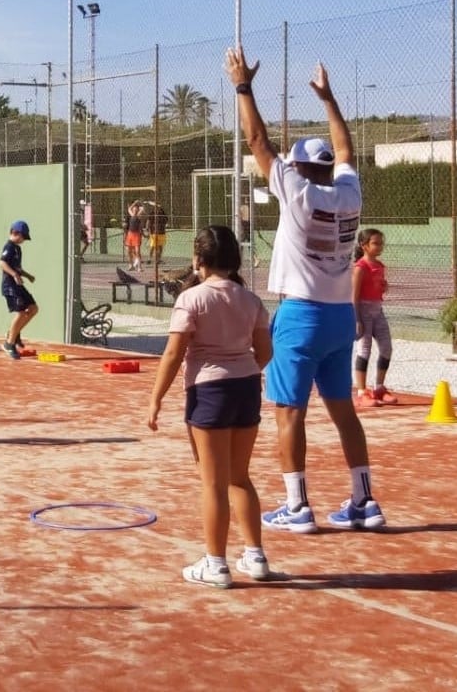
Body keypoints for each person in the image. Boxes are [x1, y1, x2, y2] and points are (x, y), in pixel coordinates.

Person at [225, 47, 384, 533]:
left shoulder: (296, 192)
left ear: (299, 167)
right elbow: (347, 153)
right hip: (340, 318)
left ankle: (297, 506)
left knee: (288, 413)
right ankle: (364, 502)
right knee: (343, 413)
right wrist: (329, 100)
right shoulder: (350, 193)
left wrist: (243, 86)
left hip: (302, 316)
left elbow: (256, 139)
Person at [146, 225, 281, 588]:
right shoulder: (250, 300)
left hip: (209, 392)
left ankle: (216, 564)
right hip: (247, 388)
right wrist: (242, 368)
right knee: (240, 478)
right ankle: (256, 556)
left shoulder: (191, 299)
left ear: (198, 259)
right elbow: (265, 352)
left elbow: (174, 353)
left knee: (212, 484)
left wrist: (155, 400)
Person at [352, 228, 397, 407]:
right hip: (363, 311)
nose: (379, 247)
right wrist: (356, 320)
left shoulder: (380, 266)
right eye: (375, 243)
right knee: (364, 350)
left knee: (386, 348)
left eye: (381, 243)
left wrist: (383, 286)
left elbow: (378, 288)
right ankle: (362, 392)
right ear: (364, 246)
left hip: (378, 311)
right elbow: (354, 296)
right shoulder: (360, 268)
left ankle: (379, 388)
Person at [0, 220, 38, 357]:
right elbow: (2, 263)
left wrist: (27, 276)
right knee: (21, 313)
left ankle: (13, 334)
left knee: (33, 308)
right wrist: (14, 275)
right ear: (15, 233)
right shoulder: (9, 247)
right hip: (10, 286)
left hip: (18, 285)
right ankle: (9, 344)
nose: (23, 241)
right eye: (23, 237)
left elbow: (18, 268)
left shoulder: (18, 248)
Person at [147, 201, 171, 269]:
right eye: (156, 207)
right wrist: (148, 230)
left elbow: (166, 220)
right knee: (152, 246)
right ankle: (149, 258)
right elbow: (148, 222)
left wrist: (165, 225)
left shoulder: (162, 214)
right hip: (154, 233)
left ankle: (158, 259)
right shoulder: (152, 214)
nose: (157, 208)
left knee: (160, 247)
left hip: (161, 233)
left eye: (158, 207)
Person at [124, 201, 146, 271]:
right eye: (134, 210)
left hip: (136, 235)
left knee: (137, 251)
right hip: (130, 234)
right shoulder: (131, 215)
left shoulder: (138, 216)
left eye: (136, 210)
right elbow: (129, 209)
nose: (135, 211)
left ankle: (139, 267)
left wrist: (140, 203)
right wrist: (135, 203)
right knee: (129, 251)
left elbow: (143, 209)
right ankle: (131, 265)